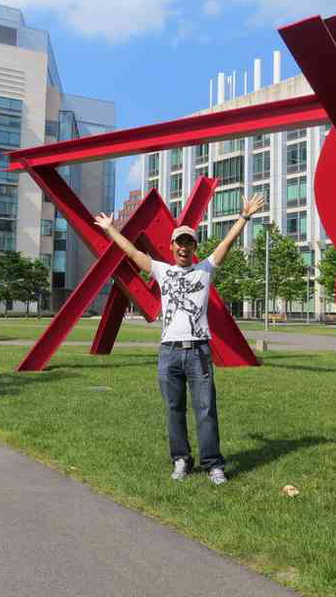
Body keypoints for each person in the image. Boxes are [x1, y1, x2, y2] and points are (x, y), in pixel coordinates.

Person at [94, 193, 265, 486]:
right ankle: (182, 460)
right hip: (169, 353)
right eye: (179, 243)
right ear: (172, 247)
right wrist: (111, 229)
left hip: (198, 352)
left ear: (194, 248)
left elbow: (226, 244)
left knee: (205, 408)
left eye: (189, 243)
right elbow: (134, 254)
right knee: (174, 409)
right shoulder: (163, 271)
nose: (184, 248)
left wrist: (244, 217)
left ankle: (213, 464)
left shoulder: (204, 271)